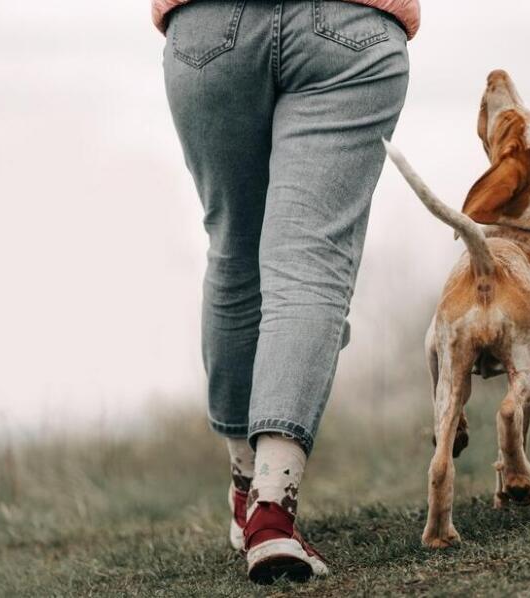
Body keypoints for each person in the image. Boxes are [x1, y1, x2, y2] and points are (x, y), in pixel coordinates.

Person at [156, 0, 419, 584]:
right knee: (309, 261)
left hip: (209, 28)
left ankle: (246, 482)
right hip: (350, 29)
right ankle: (270, 512)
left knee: (234, 250)